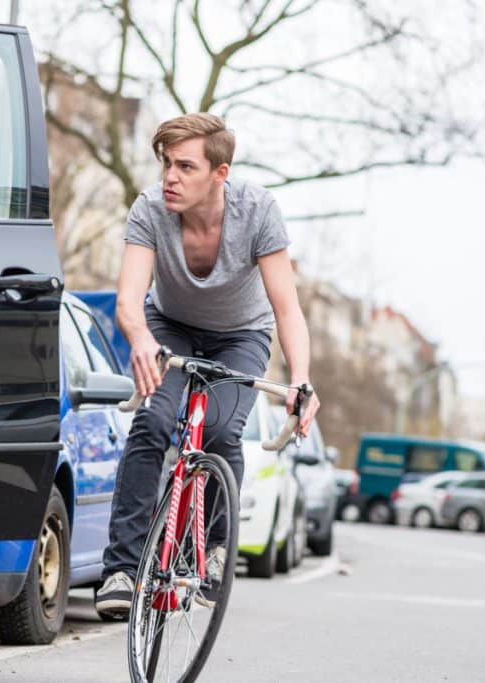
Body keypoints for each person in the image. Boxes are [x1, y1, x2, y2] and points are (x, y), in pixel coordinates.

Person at [94, 113, 321, 616]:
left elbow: (287, 309)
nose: (169, 177)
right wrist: (139, 340)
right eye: (166, 164)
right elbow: (129, 300)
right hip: (169, 325)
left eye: (185, 166)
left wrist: (301, 379)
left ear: (220, 174)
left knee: (219, 429)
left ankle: (217, 545)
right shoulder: (150, 209)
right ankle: (121, 569)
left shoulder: (257, 211)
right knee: (153, 422)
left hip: (241, 334)